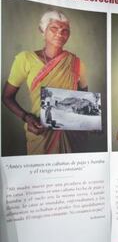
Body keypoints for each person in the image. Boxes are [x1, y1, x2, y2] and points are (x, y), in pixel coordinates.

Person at [1, 10, 87, 155]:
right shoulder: (25, 59)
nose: (60, 33)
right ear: (43, 31)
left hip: (71, 134)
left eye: (65, 30)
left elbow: (84, 100)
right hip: (40, 132)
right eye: (54, 28)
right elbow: (6, 97)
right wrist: (27, 117)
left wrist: (87, 122)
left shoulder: (76, 62)